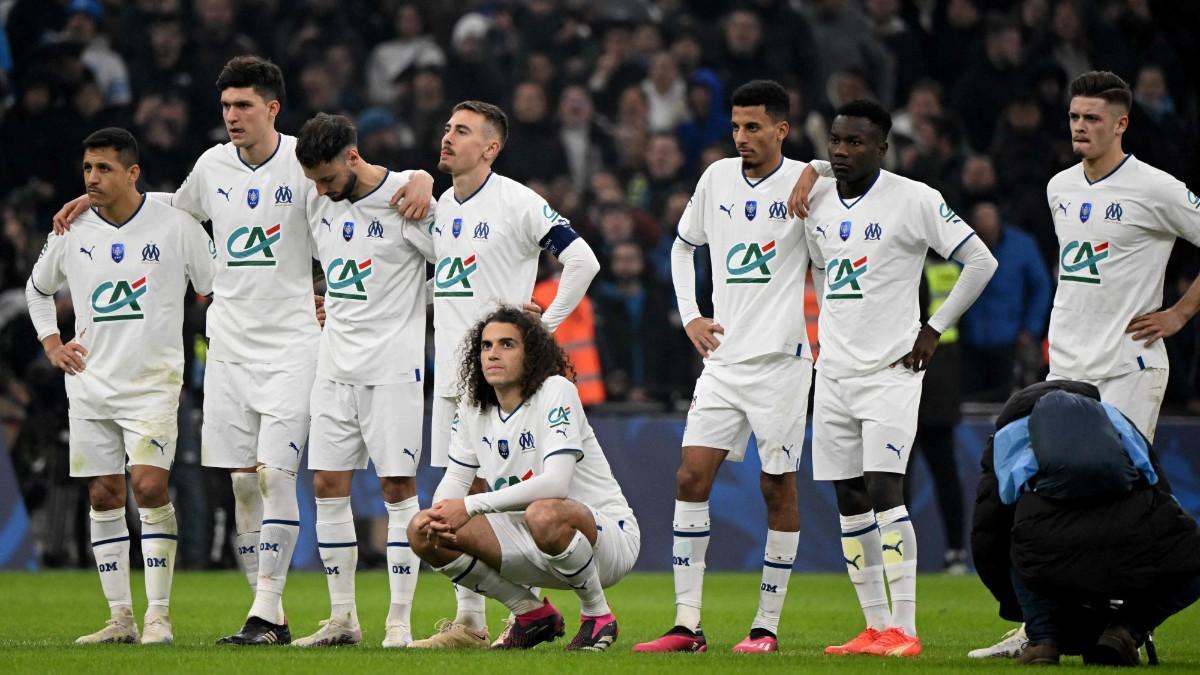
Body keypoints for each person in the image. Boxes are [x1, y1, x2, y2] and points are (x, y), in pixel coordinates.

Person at [51, 56, 433, 645]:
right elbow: (169, 212)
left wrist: (421, 179)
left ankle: (265, 609)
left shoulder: (302, 166)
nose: (231, 116)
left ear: (272, 109)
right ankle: (272, 617)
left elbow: (365, 184)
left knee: (277, 473)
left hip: (294, 343)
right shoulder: (211, 166)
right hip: (228, 343)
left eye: (244, 105)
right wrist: (100, 201)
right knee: (242, 482)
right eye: (226, 105)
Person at [970, 69, 1200, 661]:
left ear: (1122, 123)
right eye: (1074, 116)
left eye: (1093, 118)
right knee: (1039, 499)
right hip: (1065, 370)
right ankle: (1039, 626)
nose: (1080, 126)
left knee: (1118, 507)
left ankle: (1126, 626)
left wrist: (1177, 314)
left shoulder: (1158, 188)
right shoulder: (1059, 188)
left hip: (1129, 366)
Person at [633, 80, 828, 655]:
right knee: (691, 478)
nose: (741, 137)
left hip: (782, 364)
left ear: (782, 130)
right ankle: (686, 626)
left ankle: (765, 628)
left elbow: (859, 170)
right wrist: (691, 314)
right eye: (736, 126)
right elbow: (681, 245)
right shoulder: (715, 178)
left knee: (776, 486)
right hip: (723, 360)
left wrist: (816, 167)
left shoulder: (804, 182)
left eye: (753, 127)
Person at [803, 99, 996, 657]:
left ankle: (906, 631)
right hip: (834, 371)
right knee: (847, 496)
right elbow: (821, 267)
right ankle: (874, 626)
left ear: (882, 148)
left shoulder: (915, 199)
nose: (841, 150)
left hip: (891, 372)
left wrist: (933, 328)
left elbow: (981, 260)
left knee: (887, 487)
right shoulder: (816, 197)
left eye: (855, 142)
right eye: (836, 141)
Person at [412, 100, 600, 648]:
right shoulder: (443, 206)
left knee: (473, 492)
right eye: (446, 127)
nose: (447, 137)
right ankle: (485, 618)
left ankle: (492, 617)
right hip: (451, 379)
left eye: (462, 131)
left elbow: (583, 259)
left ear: (491, 148)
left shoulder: (518, 201)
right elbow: (448, 288)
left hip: (498, 382)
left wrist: (546, 326)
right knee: (453, 500)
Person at [26, 127, 216, 645]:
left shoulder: (174, 222)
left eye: (104, 168)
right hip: (88, 384)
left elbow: (215, 287)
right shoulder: (72, 229)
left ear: (133, 173)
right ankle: (120, 619)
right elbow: (38, 289)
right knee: (104, 493)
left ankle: (158, 614)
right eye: (87, 168)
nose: (92, 178)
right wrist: (51, 344)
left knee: (150, 487)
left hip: (153, 384)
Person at [408, 306, 639, 651]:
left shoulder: (555, 391)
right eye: (486, 346)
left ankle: (597, 616)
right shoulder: (472, 406)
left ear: (530, 355)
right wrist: (441, 514)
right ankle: (531, 614)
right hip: (526, 537)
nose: (493, 354)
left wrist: (470, 506)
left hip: (604, 540)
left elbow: (556, 484)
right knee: (422, 529)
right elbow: (455, 480)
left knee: (543, 511)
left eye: (506, 345)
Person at [290, 113, 434, 648]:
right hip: (334, 366)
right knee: (327, 485)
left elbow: (456, 270)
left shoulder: (409, 199)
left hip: (393, 368)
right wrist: (321, 298)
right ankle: (342, 619)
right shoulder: (316, 199)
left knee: (398, 489)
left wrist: (411, 307)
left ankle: (399, 620)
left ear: (353, 157)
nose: (321, 190)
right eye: (314, 181)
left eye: (327, 178)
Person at [972, 381, 1200, 666]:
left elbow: (989, 523)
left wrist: (1012, 602)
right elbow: (1155, 482)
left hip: (1046, 540)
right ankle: (1126, 630)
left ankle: (1043, 641)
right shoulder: (1111, 416)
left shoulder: (1007, 435)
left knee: (1013, 537)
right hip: (1129, 530)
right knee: (1192, 556)